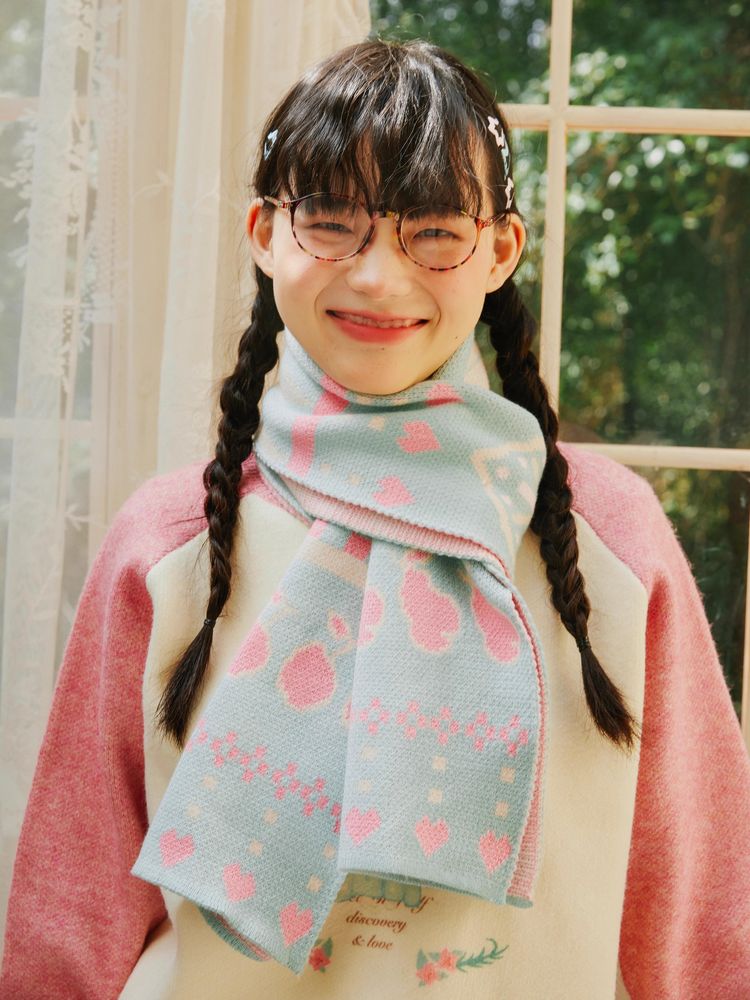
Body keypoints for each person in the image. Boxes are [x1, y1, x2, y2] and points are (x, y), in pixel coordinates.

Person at [1, 37, 749, 1000]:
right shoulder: (170, 540)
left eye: (433, 230)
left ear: (501, 250)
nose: (378, 277)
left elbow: (703, 922)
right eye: (331, 221)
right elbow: (67, 925)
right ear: (264, 233)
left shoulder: (612, 539)